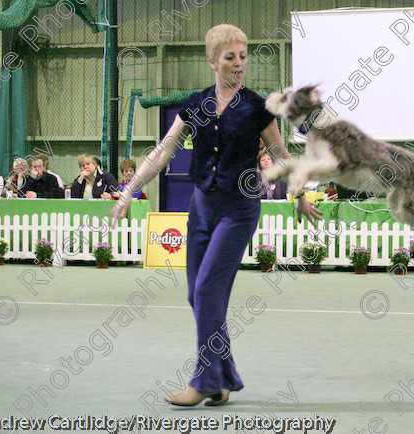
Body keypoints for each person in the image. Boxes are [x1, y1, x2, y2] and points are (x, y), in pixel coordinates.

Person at [110, 24, 322, 407]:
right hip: (201, 208)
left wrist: (301, 195)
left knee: (207, 289)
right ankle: (224, 378)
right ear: (212, 61)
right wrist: (129, 190)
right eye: (230, 58)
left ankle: (205, 380)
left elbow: (281, 154)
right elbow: (163, 151)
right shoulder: (196, 104)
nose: (239, 64)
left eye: (243, 57)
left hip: (239, 209)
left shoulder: (257, 106)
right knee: (197, 294)